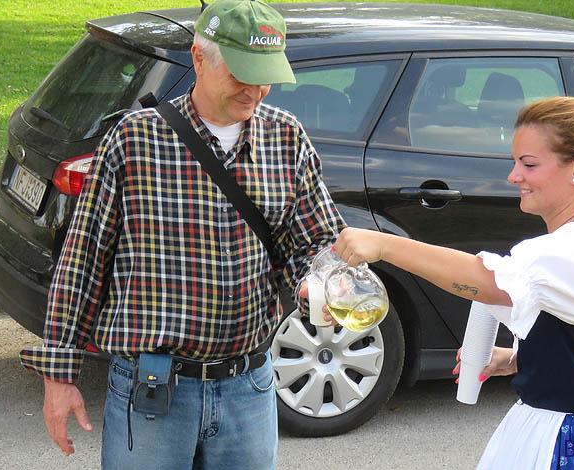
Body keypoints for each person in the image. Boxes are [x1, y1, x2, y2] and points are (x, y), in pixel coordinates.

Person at [18, 0, 345, 468]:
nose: (255, 90)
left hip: (247, 387)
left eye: (265, 75)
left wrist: (319, 282)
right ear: (198, 59)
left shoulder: (287, 137)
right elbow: (83, 261)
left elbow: (316, 243)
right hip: (149, 389)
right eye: (241, 74)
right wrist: (59, 377)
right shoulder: (135, 140)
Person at [333, 96, 574, 469]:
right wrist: (523, 359)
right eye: (515, 163)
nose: (513, 176)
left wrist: (384, 244)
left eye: (528, 164)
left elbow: (484, 281)